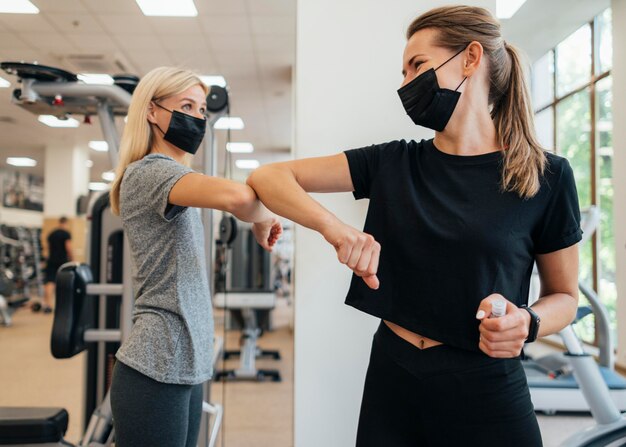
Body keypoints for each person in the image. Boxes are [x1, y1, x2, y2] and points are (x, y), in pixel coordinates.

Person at [247, 5, 581, 447]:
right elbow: (269, 178)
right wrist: (337, 230)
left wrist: (529, 322)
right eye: (403, 72)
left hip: (484, 386)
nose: (405, 84)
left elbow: (565, 297)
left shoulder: (546, 176)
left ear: (470, 57)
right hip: (394, 376)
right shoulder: (393, 162)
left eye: (417, 66)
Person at [108, 66, 282, 447]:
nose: (197, 119)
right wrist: (264, 212)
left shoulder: (172, 176)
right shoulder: (149, 173)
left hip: (184, 365)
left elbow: (242, 203)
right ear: (152, 111)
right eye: (187, 105)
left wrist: (260, 217)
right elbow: (238, 198)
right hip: (156, 364)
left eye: (202, 110)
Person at [42, 216, 72, 313]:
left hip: (51, 260)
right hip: (62, 261)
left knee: (50, 282)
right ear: (65, 223)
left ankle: (48, 305)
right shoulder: (66, 234)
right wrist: (72, 259)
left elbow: (46, 248)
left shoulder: (52, 234)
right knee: (64, 283)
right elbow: (68, 248)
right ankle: (63, 306)